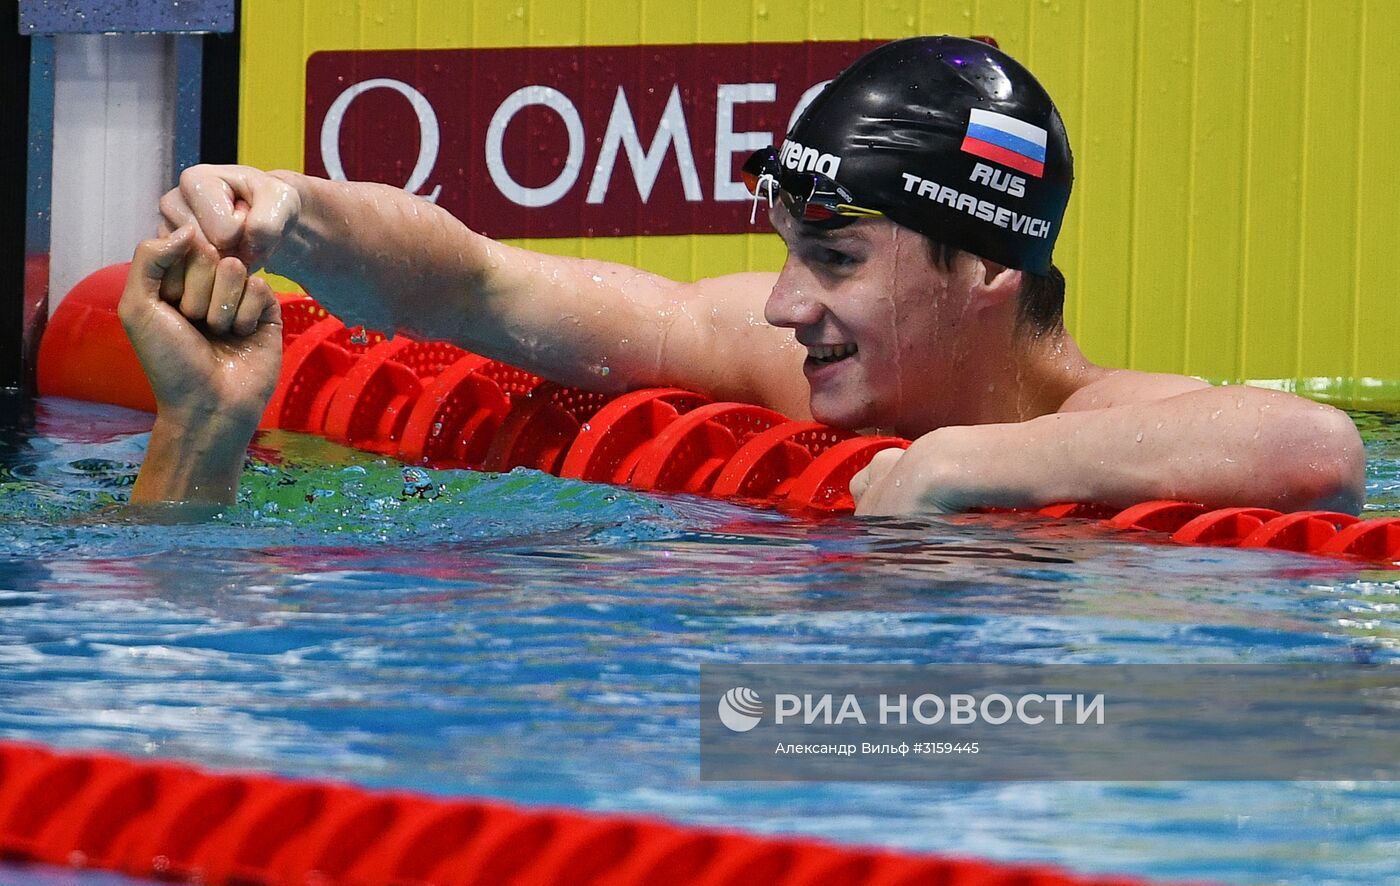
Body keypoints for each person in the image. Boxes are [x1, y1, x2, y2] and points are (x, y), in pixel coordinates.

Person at [119, 36, 1365, 515]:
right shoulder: (777, 363)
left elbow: (1313, 447)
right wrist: (290, 211)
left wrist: (962, 465)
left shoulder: (1099, 426)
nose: (779, 304)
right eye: (785, 252)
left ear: (984, 263)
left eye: (832, 257)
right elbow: (479, 288)